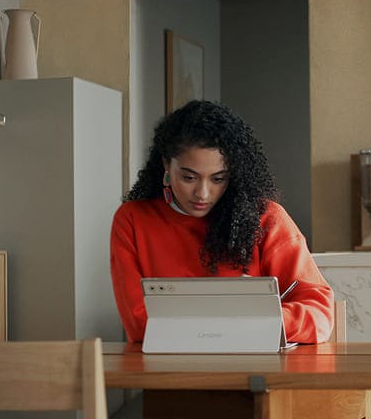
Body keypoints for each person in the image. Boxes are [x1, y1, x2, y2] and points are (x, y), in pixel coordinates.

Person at [110, 100, 334, 344]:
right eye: (189, 177)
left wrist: (263, 317)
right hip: (169, 374)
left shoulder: (266, 218)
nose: (202, 194)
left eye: (218, 179)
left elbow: (320, 314)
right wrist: (246, 320)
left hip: (257, 375)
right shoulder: (132, 220)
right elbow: (139, 325)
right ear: (166, 165)